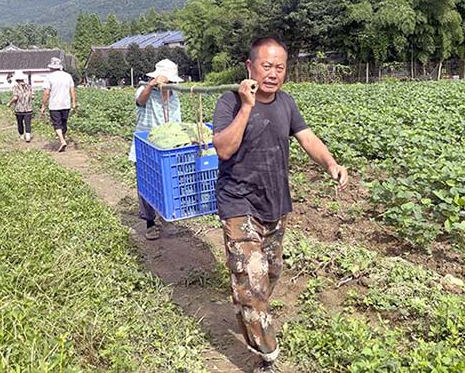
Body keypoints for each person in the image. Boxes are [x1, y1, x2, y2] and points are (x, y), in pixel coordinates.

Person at [212, 37, 349, 373]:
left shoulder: (286, 103)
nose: (273, 73)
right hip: (238, 203)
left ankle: (249, 302)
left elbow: (308, 138)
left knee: (270, 272)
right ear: (250, 66)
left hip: (275, 203)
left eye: (279, 67)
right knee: (252, 280)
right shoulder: (229, 102)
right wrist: (247, 106)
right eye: (266, 66)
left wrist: (330, 164)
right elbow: (223, 149)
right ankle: (267, 354)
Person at [128, 58, 182, 240]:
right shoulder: (145, 91)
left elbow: (176, 123)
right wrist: (151, 85)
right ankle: (150, 222)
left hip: (166, 147)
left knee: (166, 182)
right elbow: (140, 102)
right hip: (146, 145)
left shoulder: (174, 96)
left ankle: (165, 217)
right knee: (147, 184)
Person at [40, 57, 76, 152]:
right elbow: (72, 90)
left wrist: (43, 105)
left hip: (54, 105)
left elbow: (46, 93)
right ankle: (62, 140)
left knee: (57, 124)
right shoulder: (67, 76)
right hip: (66, 104)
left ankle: (62, 140)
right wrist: (73, 102)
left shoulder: (49, 77)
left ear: (51, 68)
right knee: (64, 123)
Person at [7, 70, 33, 142]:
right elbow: (32, 96)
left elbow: (15, 97)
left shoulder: (16, 87)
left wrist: (10, 103)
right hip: (28, 108)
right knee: (28, 122)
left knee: (20, 122)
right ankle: (28, 136)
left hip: (19, 108)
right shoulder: (29, 86)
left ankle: (22, 135)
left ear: (16, 79)